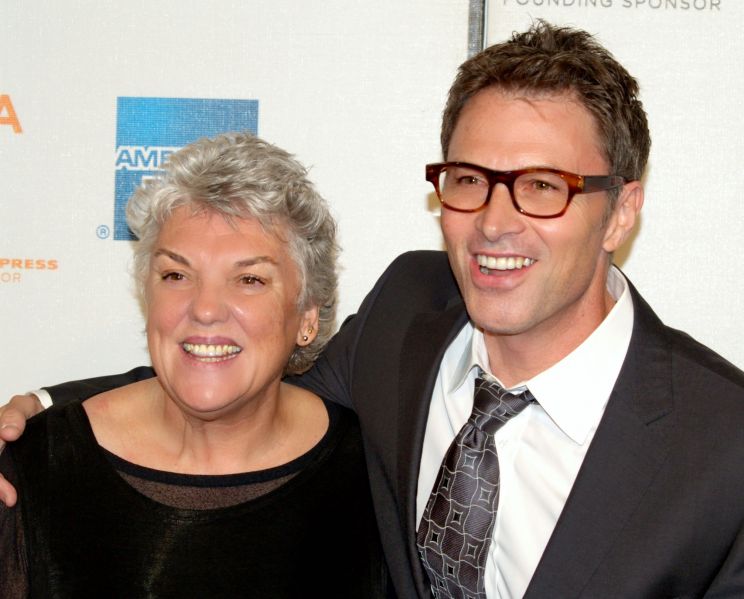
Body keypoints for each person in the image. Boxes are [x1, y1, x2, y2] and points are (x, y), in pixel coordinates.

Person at [3, 20, 744, 598]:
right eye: (469, 180)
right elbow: (231, 364)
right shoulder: (407, 310)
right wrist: (38, 417)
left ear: (620, 212)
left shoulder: (723, 448)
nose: (495, 222)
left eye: (543, 186)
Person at [0, 132, 389, 597]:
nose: (205, 309)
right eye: (176, 274)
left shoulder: (375, 475)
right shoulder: (34, 467)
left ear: (307, 314)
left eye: (249, 279)